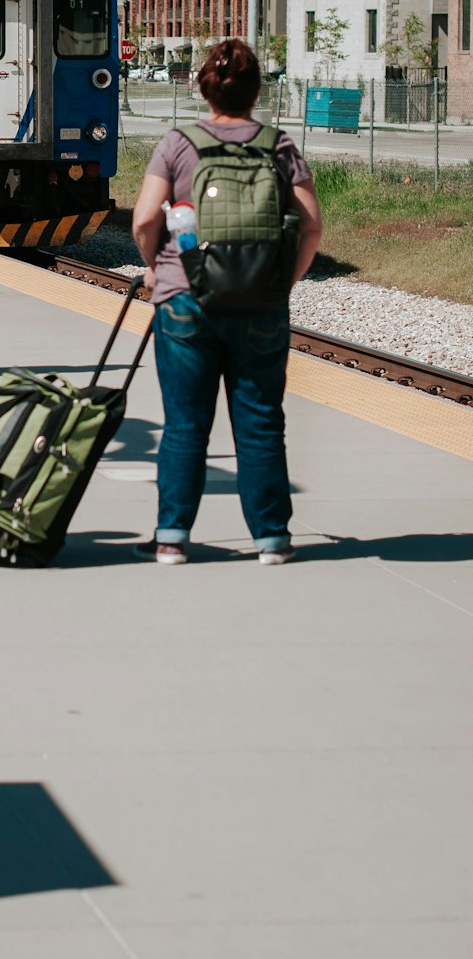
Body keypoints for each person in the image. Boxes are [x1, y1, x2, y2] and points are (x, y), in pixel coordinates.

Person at [131, 39, 323, 567]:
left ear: (204, 88)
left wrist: (156, 269)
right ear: (256, 90)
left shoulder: (179, 142)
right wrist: (284, 282)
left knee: (185, 423)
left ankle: (171, 537)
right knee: (261, 420)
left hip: (185, 299)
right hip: (261, 300)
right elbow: (310, 225)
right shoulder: (277, 144)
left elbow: (146, 219)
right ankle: (272, 540)